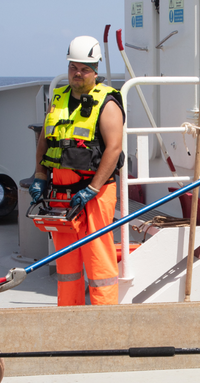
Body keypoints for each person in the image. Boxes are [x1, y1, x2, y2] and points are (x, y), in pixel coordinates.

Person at [30, 36, 124, 306]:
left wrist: (92, 189)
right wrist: (39, 177)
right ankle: (68, 321)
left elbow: (114, 148)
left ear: (95, 71)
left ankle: (105, 324)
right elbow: (45, 139)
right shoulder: (58, 98)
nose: (78, 73)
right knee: (66, 267)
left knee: (99, 264)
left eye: (85, 68)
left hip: (93, 194)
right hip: (60, 195)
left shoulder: (107, 102)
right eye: (74, 67)